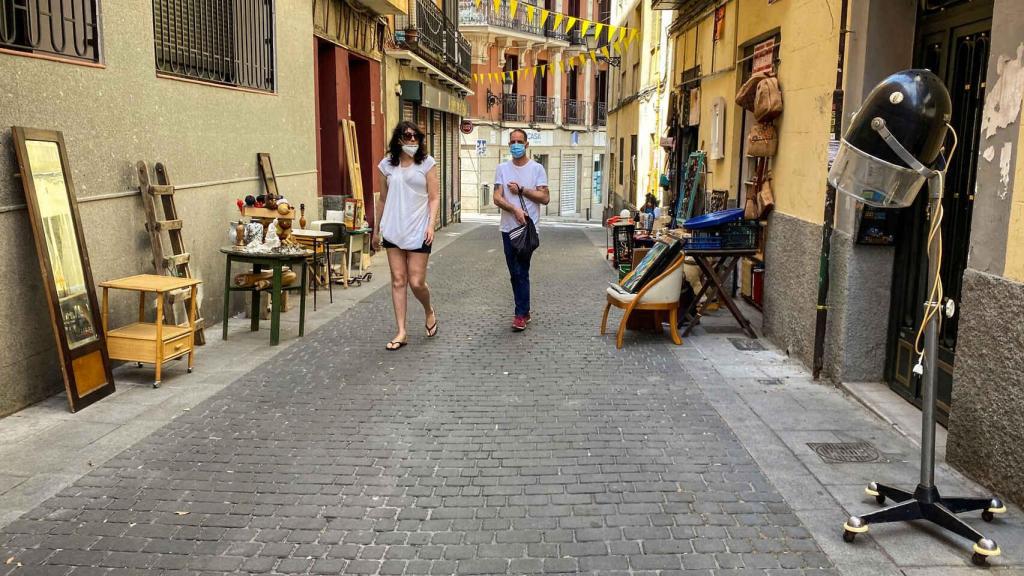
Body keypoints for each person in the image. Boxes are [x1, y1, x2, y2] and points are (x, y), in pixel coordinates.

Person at [374, 121, 440, 351]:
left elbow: (434, 197)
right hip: (393, 228)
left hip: (419, 228)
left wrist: (431, 225)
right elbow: (383, 199)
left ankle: (428, 310)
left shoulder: (427, 163)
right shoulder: (386, 165)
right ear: (398, 139)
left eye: (416, 136)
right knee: (398, 280)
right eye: (407, 135)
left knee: (416, 282)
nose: (412, 140)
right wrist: (376, 229)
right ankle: (401, 331)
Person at [492, 129, 550, 331]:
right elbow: (497, 197)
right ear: (509, 145)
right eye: (513, 142)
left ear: (526, 145)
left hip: (527, 230)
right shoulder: (502, 168)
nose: (516, 145)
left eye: (519, 141)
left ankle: (520, 315)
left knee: (521, 271)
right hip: (507, 229)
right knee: (514, 272)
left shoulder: (537, 169)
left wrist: (522, 190)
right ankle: (524, 311)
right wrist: (514, 209)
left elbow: (545, 197)